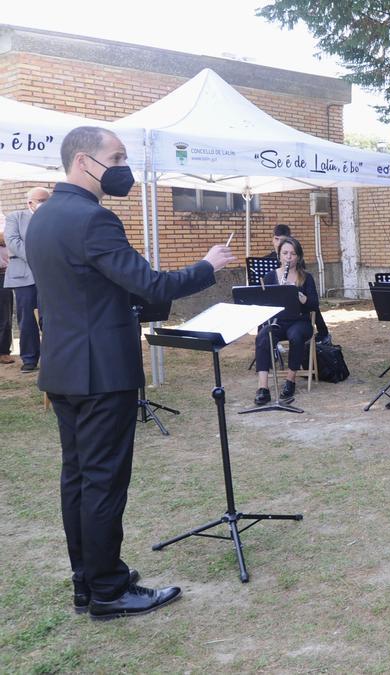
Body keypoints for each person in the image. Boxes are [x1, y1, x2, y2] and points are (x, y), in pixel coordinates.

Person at [26, 125, 235, 620]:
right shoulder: (93, 220)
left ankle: (88, 580)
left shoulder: (41, 218)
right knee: (102, 482)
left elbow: (94, 290)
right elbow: (147, 282)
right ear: (83, 162)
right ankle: (108, 590)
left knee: (77, 479)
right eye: (116, 156)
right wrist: (207, 266)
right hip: (103, 374)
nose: (123, 167)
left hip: (64, 369)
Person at [252, 237, 319, 406]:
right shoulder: (270, 277)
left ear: (298, 256)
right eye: (285, 253)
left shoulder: (306, 278)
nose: (289, 257)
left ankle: (290, 380)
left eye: (293, 253)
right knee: (262, 337)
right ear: (279, 255)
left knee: (296, 336)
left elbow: (314, 305)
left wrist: (300, 296)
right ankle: (263, 387)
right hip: (278, 321)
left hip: (300, 321)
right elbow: (263, 305)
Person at [4, 186, 49, 373]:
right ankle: (29, 359)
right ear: (29, 202)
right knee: (27, 319)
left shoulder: (53, 217)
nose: (44, 204)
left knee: (49, 318)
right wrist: (36, 257)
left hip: (49, 275)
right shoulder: (15, 217)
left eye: (47, 200)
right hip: (23, 276)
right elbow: (12, 241)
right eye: (41, 200)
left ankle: (53, 357)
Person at [0, 229, 12, 364]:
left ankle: (3, 351)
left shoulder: (2, 219)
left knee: (5, 315)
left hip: (3, 274)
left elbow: (4, 238)